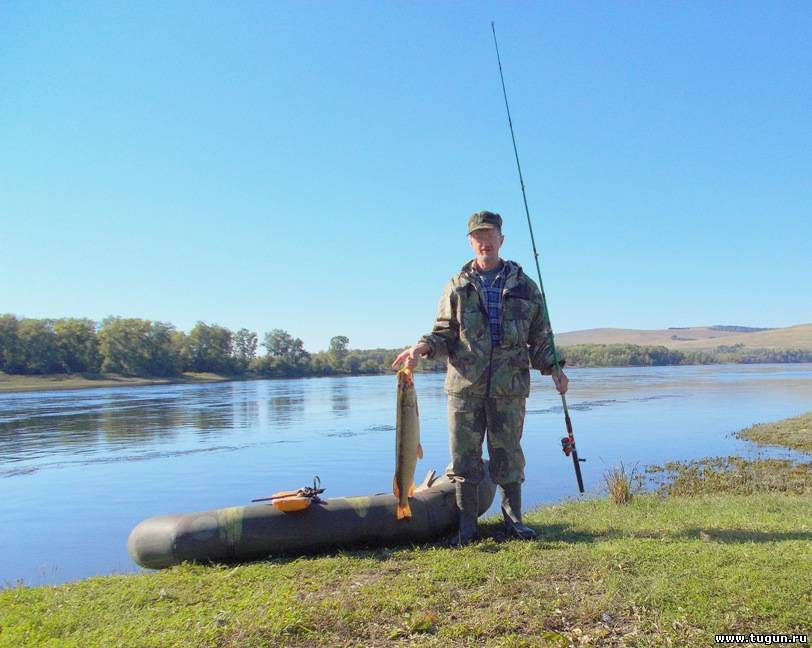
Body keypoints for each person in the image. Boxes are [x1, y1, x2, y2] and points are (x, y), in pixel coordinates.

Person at [392, 210, 568, 547]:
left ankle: (514, 522)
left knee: (509, 456)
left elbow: (541, 338)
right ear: (471, 242)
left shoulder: (526, 287)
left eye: (490, 235)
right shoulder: (456, 286)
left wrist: (554, 368)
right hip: (464, 388)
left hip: (509, 388)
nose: (484, 242)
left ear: (501, 239)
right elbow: (443, 333)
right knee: (464, 459)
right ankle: (467, 527)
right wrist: (421, 348)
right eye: (478, 237)